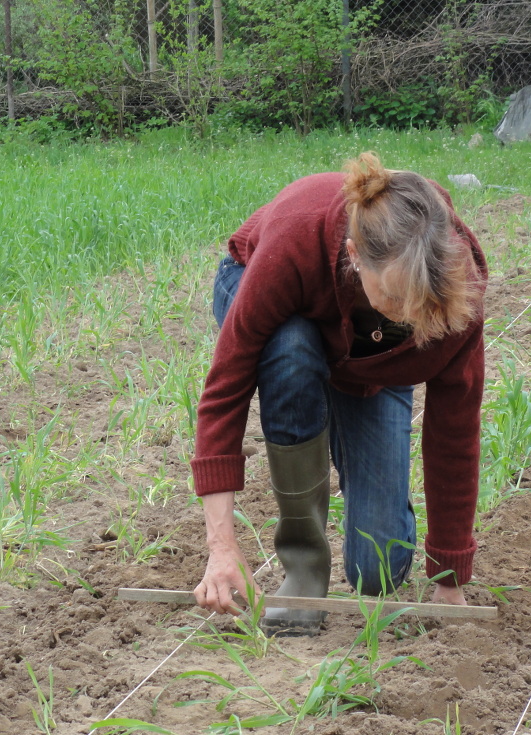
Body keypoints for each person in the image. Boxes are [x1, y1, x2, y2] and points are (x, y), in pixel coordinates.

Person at [191, 152, 487, 635]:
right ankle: (303, 569)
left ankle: (377, 553)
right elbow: (225, 391)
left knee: (379, 571)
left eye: (418, 308)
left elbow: (454, 432)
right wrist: (221, 547)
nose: (406, 319)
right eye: (393, 300)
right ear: (353, 255)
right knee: (290, 350)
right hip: (272, 296)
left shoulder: (455, 293)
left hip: (371, 362)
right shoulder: (296, 238)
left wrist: (450, 576)